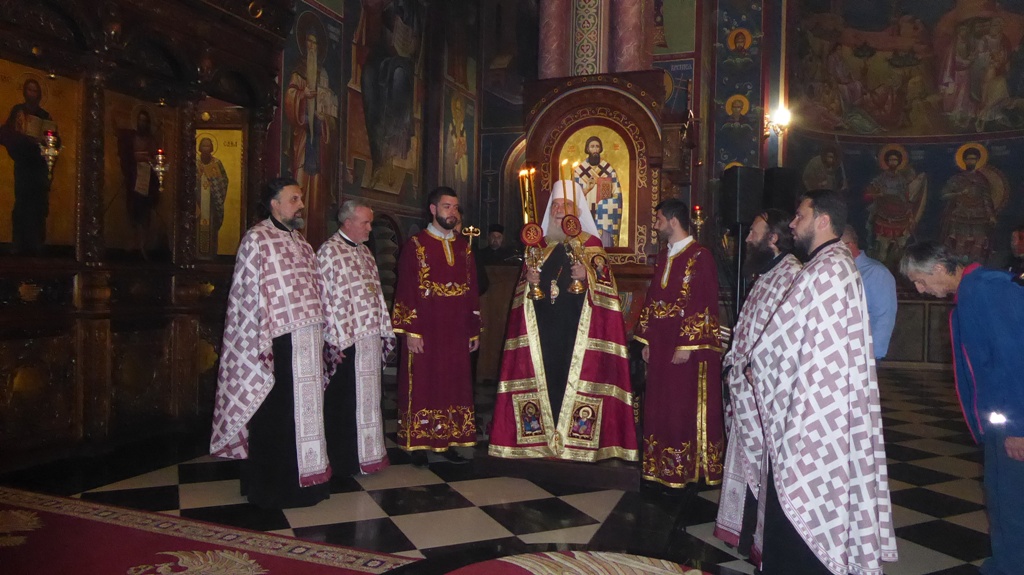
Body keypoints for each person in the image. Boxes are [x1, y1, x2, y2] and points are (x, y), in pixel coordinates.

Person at [746, 189, 897, 574]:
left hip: (814, 414)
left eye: (800, 216)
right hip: (820, 406)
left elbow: (786, 342)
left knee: (802, 495)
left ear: (823, 220)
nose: (793, 224)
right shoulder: (831, 266)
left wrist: (754, 364)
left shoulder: (827, 270)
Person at [488, 181, 638, 463]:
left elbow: (606, 286)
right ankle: (542, 440)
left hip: (577, 332)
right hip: (543, 332)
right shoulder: (539, 245)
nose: (559, 211)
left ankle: (575, 443)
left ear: (577, 213)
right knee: (547, 381)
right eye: (555, 206)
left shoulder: (591, 245)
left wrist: (588, 276)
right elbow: (522, 295)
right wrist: (528, 281)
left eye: (565, 206)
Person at [899, 241, 1024, 575]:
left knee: (1012, 503)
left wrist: (1018, 428)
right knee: (1000, 499)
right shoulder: (973, 291)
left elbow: (1014, 360)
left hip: (1012, 421)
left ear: (940, 268)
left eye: (920, 280)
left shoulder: (986, 291)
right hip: (1000, 420)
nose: (919, 289)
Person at [210, 177, 331, 509]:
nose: (301, 205)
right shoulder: (257, 240)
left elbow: (316, 291)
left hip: (306, 341)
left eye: (300, 198)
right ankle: (272, 486)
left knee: (305, 413)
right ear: (274, 203)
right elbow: (246, 297)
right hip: (274, 342)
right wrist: (260, 340)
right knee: (276, 415)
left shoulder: (303, 243)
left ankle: (308, 480)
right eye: (294, 199)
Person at [714, 208, 801, 556]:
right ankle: (744, 530)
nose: (747, 237)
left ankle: (761, 538)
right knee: (745, 458)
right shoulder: (767, 274)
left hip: (767, 391)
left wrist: (754, 366)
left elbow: (787, 335)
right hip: (746, 386)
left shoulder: (792, 275)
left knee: (764, 464)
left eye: (754, 231)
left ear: (773, 238)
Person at [633, 199, 724, 491]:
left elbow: (703, 301)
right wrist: (645, 339)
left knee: (681, 406)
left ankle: (688, 470)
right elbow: (652, 299)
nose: (655, 223)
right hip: (660, 345)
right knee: (660, 405)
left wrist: (688, 344)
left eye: (659, 218)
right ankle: (660, 467)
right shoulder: (663, 256)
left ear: (674, 220)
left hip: (684, 347)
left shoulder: (700, 255)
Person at [392, 187, 480, 465]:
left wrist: (473, 328)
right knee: (424, 384)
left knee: (452, 384)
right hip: (426, 331)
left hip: (455, 332)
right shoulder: (416, 245)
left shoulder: (463, 247)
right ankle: (418, 443)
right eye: (446, 207)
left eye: (455, 207)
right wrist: (411, 331)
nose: (452, 212)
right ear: (433, 209)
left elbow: (472, 290)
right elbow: (406, 288)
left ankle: (449, 439)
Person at [318, 199, 395, 476]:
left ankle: (369, 455)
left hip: (369, 341)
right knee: (343, 402)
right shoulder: (329, 252)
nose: (369, 228)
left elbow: (375, 297)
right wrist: (337, 339)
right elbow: (326, 300)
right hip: (345, 342)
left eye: (370, 222)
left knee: (369, 400)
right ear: (347, 223)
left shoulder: (365, 253)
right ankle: (344, 459)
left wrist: (380, 329)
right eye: (365, 223)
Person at [285, 21, 337, 207]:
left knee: (317, 187)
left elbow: (331, 110)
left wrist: (325, 119)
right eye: (308, 42)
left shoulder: (323, 74)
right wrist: (302, 95)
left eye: (315, 43)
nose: (311, 46)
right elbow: (290, 96)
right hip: (303, 135)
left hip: (318, 137)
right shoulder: (298, 71)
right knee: (300, 178)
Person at [1, 78, 55, 255]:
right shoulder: (18, 111)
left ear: (39, 94)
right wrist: (24, 138)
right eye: (29, 90)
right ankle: (19, 242)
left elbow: (53, 140)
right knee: (22, 202)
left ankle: (37, 242)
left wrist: (46, 139)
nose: (32, 93)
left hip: (39, 165)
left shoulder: (45, 115)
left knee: (39, 204)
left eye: (35, 90)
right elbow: (8, 132)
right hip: (24, 162)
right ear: (25, 92)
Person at [864, 147, 927, 268]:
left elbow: (907, 198)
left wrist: (909, 214)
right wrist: (879, 194)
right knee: (882, 249)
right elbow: (867, 195)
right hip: (884, 215)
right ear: (886, 162)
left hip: (901, 216)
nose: (893, 162)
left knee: (900, 248)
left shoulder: (902, 180)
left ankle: (897, 271)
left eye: (895, 160)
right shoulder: (880, 179)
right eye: (891, 160)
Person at [842, 225, 897, 360]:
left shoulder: (876, 272)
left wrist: (873, 356)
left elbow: (884, 317)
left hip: (864, 354)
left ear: (848, 246)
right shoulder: (839, 270)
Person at [940, 146, 997, 264]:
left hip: (979, 215)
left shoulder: (981, 179)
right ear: (964, 161)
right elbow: (944, 195)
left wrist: (991, 215)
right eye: (968, 159)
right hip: (960, 214)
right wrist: (960, 193)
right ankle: (959, 266)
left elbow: (986, 198)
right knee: (960, 241)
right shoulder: (956, 179)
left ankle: (975, 266)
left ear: (977, 161)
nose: (971, 161)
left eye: (974, 159)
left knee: (979, 241)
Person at [117, 109, 161, 259]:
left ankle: (144, 244)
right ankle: (134, 243)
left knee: (145, 212)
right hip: (135, 177)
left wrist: (150, 158)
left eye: (144, 121)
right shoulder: (132, 137)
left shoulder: (151, 140)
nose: (142, 123)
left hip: (147, 178)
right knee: (134, 211)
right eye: (139, 120)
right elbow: (127, 154)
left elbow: (156, 158)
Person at [573, 136, 623, 246]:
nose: (595, 149)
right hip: (586, 214)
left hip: (604, 216)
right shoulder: (579, 171)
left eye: (597, 147)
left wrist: (603, 205)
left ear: (600, 149)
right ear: (587, 149)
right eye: (592, 147)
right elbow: (574, 198)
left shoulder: (609, 170)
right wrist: (586, 190)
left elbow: (617, 195)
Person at [196, 137, 229, 257]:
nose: (206, 149)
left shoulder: (217, 164)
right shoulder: (195, 163)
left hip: (212, 204)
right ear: (199, 148)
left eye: (208, 146)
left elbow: (224, 181)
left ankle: (212, 255)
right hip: (198, 204)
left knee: (211, 229)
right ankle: (196, 255)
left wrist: (214, 189)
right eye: (203, 146)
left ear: (212, 149)